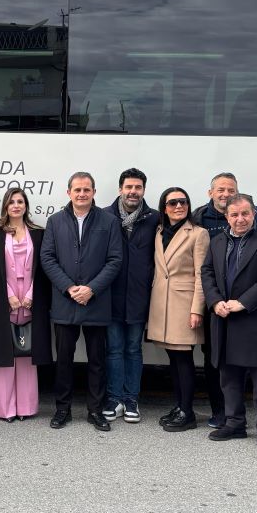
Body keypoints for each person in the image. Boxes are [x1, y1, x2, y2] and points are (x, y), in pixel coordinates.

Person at [201, 194, 257, 454]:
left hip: (255, 318)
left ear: (254, 214)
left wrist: (243, 302)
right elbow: (207, 272)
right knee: (228, 377)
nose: (240, 219)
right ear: (227, 217)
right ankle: (234, 422)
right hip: (223, 318)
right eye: (234, 215)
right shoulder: (216, 242)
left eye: (245, 214)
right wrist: (215, 302)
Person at [40, 172, 122, 432]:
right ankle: (62, 409)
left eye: (87, 189)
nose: (82, 194)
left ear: (94, 192)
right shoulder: (54, 221)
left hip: (96, 302)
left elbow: (115, 260)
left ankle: (95, 411)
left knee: (97, 360)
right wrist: (69, 287)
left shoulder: (108, 222)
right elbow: (48, 258)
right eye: (77, 190)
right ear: (68, 193)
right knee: (64, 359)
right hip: (66, 302)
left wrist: (92, 289)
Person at [188, 171, 257, 428]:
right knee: (217, 360)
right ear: (210, 193)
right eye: (220, 189)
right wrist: (213, 302)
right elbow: (206, 270)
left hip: (248, 308)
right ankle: (222, 414)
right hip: (217, 305)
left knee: (255, 370)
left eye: (230, 190)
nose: (225, 194)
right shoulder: (198, 218)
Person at [0, 188, 52, 420]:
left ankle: (26, 408)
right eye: (11, 202)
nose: (16, 205)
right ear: (5, 206)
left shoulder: (38, 234)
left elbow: (44, 269)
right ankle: (4, 409)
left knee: (26, 353)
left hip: (30, 298)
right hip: (2, 298)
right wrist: (8, 295)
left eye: (20, 201)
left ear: (26, 205)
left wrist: (31, 294)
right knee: (3, 354)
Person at [146, 187, 210, 432]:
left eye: (183, 202)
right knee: (172, 359)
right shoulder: (160, 231)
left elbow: (201, 275)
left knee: (183, 359)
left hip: (184, 304)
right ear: (164, 207)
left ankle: (188, 412)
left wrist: (197, 310)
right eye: (172, 203)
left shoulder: (198, 234)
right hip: (162, 303)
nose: (178, 206)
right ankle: (180, 406)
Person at [101, 168, 158, 424]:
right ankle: (113, 398)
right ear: (120, 189)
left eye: (138, 187)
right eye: (128, 187)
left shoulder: (154, 218)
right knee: (113, 349)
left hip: (139, 295)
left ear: (144, 190)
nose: (133, 192)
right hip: (110, 295)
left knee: (133, 349)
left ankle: (131, 399)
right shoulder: (104, 216)